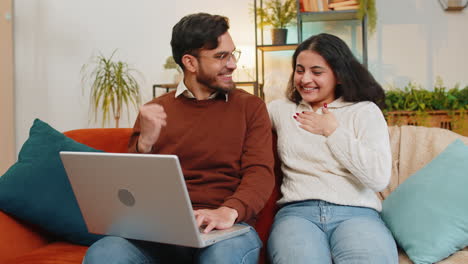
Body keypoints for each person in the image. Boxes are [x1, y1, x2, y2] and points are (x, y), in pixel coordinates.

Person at [83, 13, 274, 264]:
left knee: (223, 259)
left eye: (232, 54)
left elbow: (260, 173)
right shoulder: (154, 111)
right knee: (104, 254)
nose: (232, 64)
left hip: (226, 230)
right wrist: (145, 144)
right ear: (190, 63)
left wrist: (227, 212)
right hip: (162, 232)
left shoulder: (251, 107)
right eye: (221, 56)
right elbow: (129, 189)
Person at [266, 33, 398, 264]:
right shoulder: (281, 110)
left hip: (357, 214)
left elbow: (378, 179)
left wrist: (333, 132)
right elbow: (240, 126)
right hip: (297, 215)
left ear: (338, 75)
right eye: (299, 70)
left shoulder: (364, 112)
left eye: (317, 72)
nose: (305, 79)